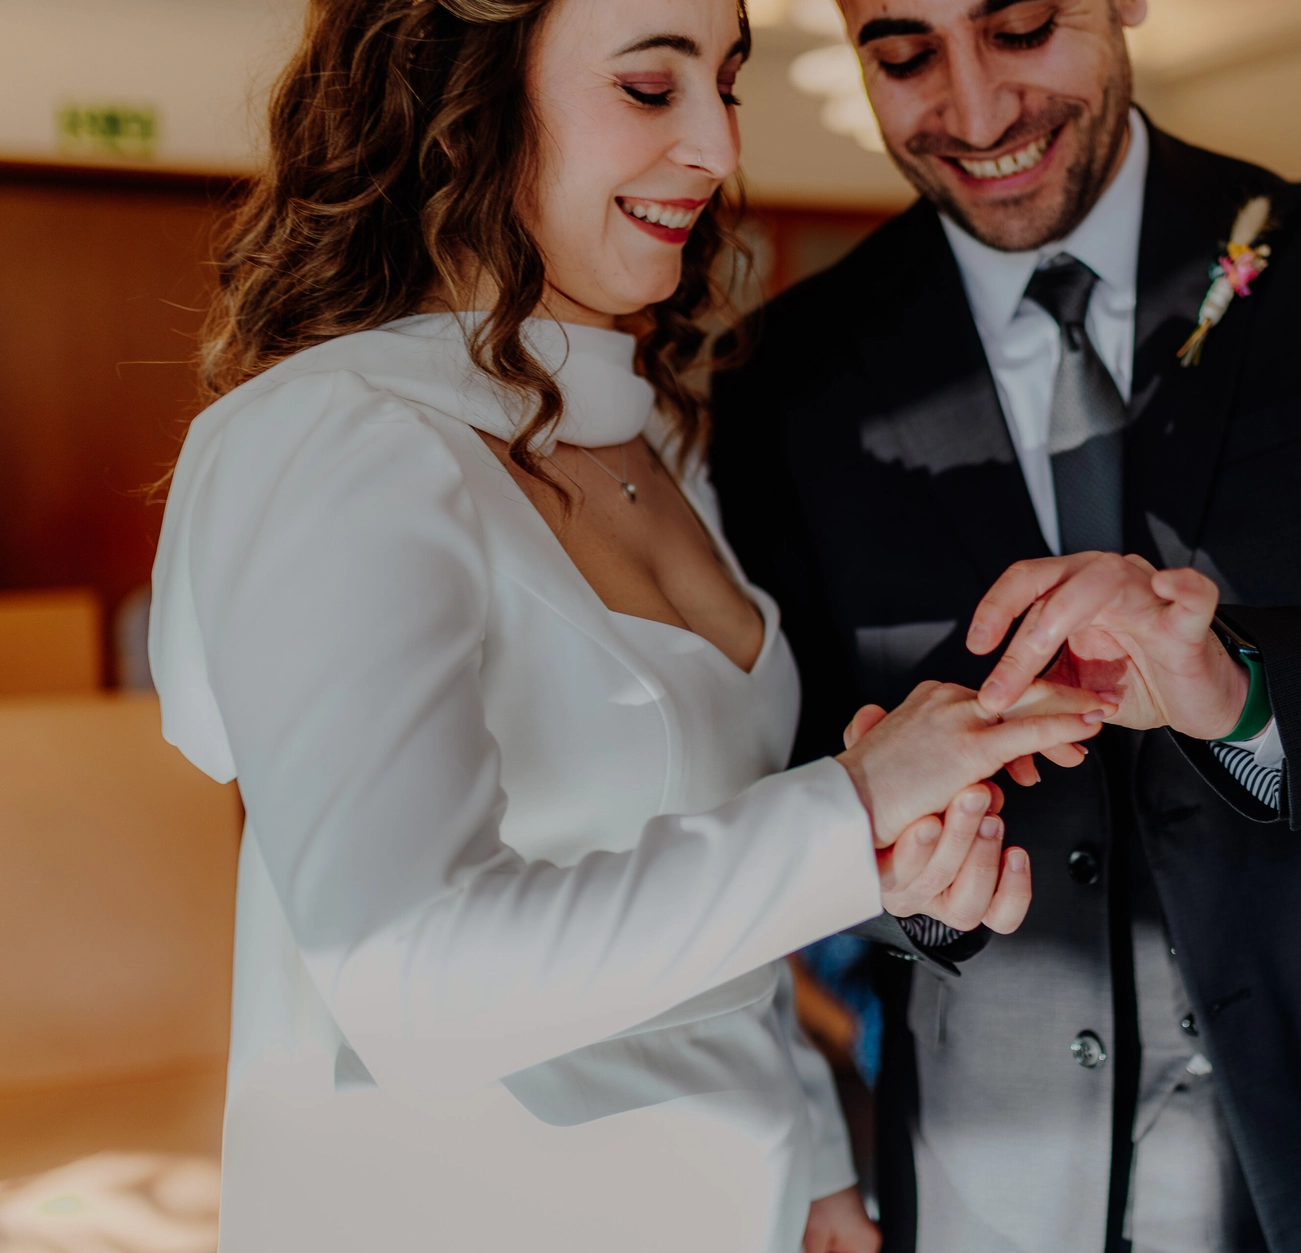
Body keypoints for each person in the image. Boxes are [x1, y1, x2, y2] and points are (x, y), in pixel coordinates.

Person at [146, 1, 1106, 1250]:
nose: (716, 145)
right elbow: (411, 981)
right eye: (653, 91)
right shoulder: (335, 441)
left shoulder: (650, 429)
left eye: (726, 83)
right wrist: (851, 808)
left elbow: (699, 868)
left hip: (746, 1197)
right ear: (463, 100)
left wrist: (815, 1140)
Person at [709, 0, 1301, 1248]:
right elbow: (795, 776)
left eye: (1019, 26)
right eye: (901, 55)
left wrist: (1241, 689)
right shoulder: (776, 377)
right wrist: (915, 888)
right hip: (994, 1130)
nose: (972, 111)